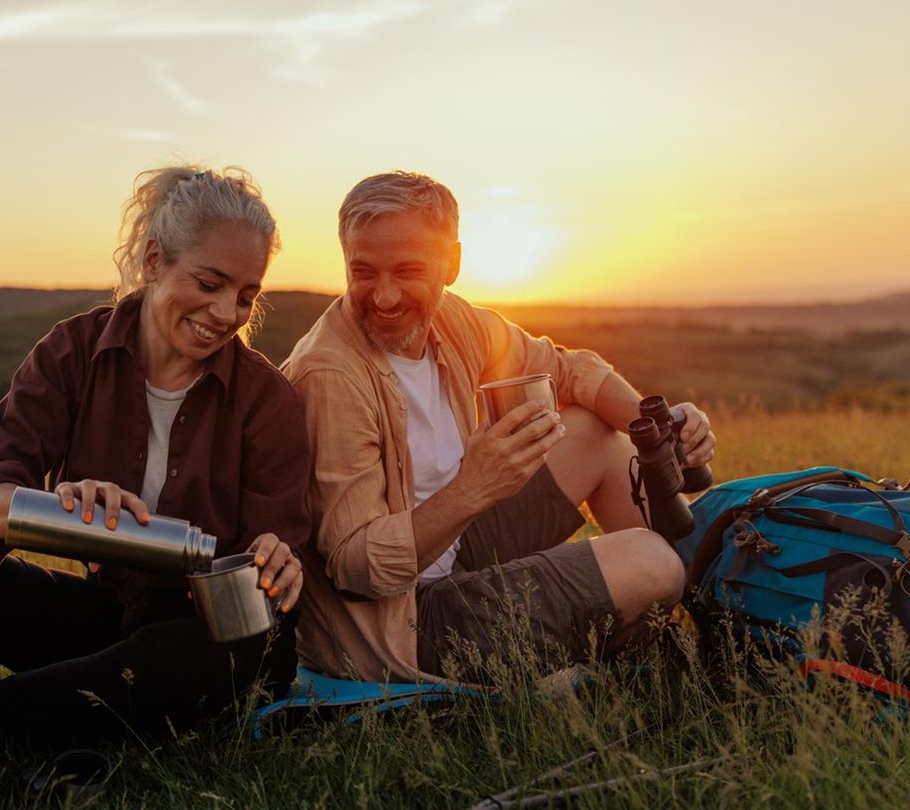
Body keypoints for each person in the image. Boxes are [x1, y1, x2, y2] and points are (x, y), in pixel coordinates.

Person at [0, 165, 310, 746]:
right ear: (153, 261)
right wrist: (65, 506)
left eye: (246, 296)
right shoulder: (72, 352)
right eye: (210, 283)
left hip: (205, 637)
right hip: (108, 620)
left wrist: (276, 558)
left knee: (244, 648)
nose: (226, 314)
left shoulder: (266, 399)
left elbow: (272, 568)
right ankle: (63, 718)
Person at [282, 171, 715, 683]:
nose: (385, 296)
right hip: (401, 622)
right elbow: (357, 568)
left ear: (453, 264)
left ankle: (713, 623)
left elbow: (569, 369)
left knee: (594, 433)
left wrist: (657, 428)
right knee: (653, 563)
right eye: (364, 272)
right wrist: (476, 487)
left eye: (407, 271)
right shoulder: (331, 376)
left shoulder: (453, 322)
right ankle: (642, 647)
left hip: (457, 549)